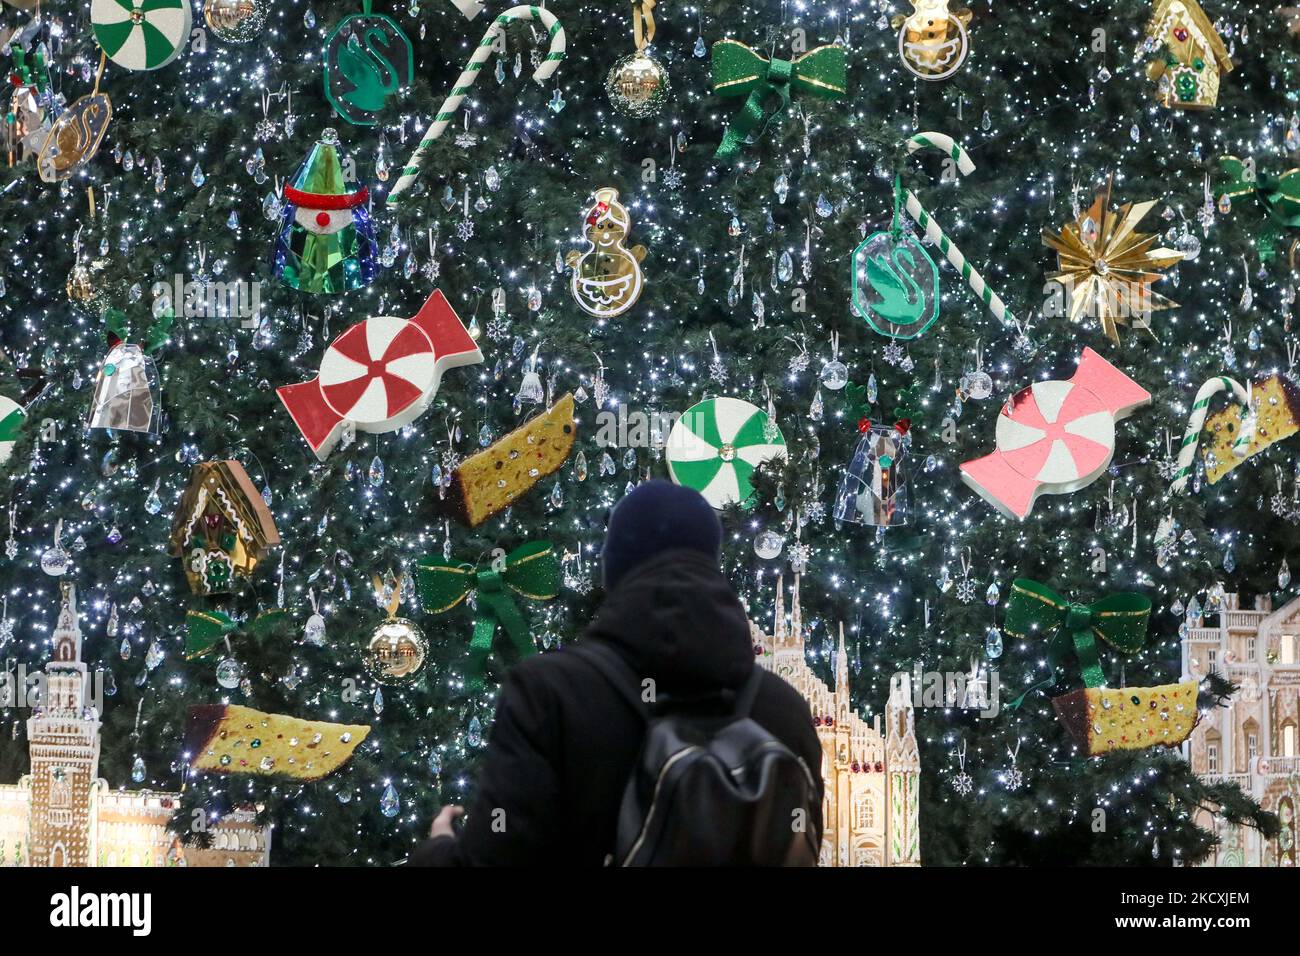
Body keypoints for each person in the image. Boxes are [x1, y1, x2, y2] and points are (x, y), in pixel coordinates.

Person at [409, 480, 824, 866]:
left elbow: (496, 856)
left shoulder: (550, 692)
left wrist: (439, 847)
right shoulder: (784, 708)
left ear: (615, 568)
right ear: (711, 563)